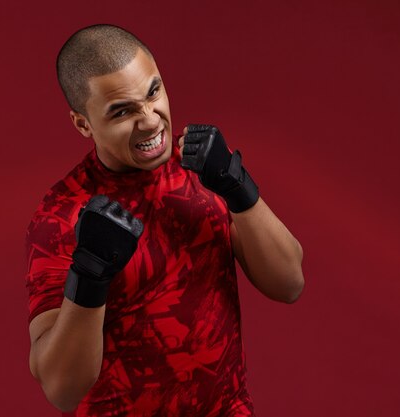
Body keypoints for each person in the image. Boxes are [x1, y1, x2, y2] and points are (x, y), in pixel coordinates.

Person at [24, 24, 304, 416]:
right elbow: (61, 390)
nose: (150, 121)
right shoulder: (62, 215)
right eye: (122, 112)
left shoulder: (202, 170)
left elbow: (289, 283)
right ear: (83, 124)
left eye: (153, 92)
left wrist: (239, 186)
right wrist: (91, 274)